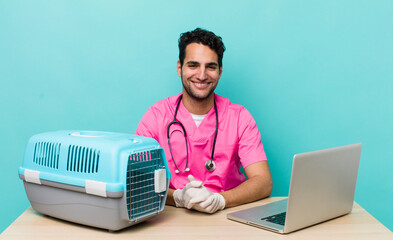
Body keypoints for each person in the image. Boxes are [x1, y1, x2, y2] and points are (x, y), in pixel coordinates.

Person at [135, 28, 272, 214]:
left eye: (211, 67)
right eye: (193, 65)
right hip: (171, 217)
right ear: (179, 68)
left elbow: (263, 182)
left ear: (220, 71)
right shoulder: (156, 116)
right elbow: (137, 180)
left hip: (227, 217)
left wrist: (220, 200)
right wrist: (177, 198)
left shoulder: (240, 117)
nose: (201, 75)